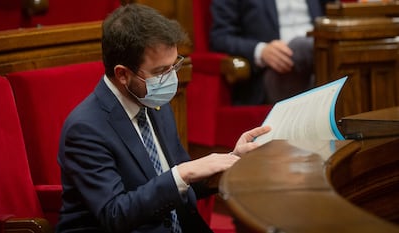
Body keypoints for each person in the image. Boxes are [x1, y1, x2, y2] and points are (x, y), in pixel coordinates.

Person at [55, 3, 271, 233]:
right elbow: (114, 214)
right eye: (160, 72)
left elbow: (181, 185)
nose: (171, 79)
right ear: (123, 75)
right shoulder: (85, 129)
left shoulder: (154, 103)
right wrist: (182, 173)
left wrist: (230, 161)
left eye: (174, 66)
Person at [210, 0, 334, 105]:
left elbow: (336, 15)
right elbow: (220, 38)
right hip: (273, 73)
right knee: (303, 46)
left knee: (330, 47)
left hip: (319, 69)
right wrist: (261, 51)